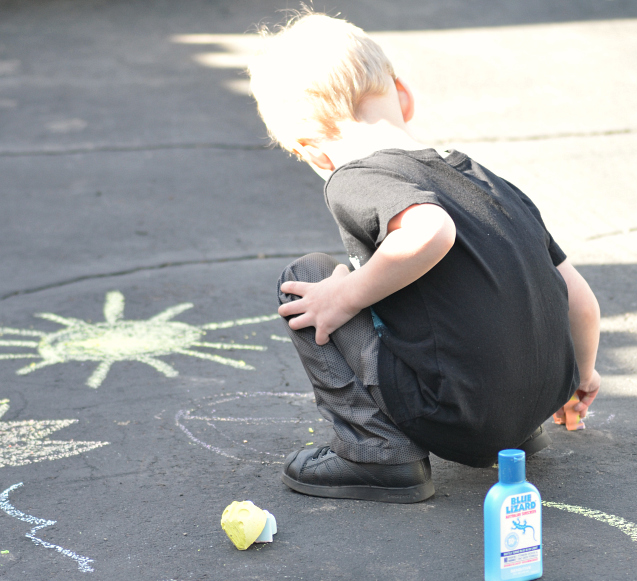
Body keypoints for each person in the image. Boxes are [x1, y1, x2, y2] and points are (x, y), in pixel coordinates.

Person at [247, 11, 601, 503]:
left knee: (305, 279)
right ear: (404, 97)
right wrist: (581, 379)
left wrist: (345, 294)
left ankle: (377, 453)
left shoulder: (353, 177)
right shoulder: (486, 180)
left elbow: (431, 231)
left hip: (462, 418)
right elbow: (579, 300)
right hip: (536, 404)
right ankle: (518, 433)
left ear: (313, 151)